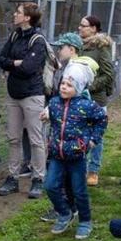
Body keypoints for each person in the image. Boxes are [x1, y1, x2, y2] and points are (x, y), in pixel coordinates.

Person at [43, 62, 108, 239]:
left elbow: (102, 119)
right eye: (63, 83)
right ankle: (64, 213)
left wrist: (93, 140)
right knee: (50, 186)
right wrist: (46, 114)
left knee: (79, 191)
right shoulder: (55, 103)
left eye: (69, 85)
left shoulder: (87, 106)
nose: (64, 87)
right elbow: (53, 116)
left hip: (77, 157)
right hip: (57, 155)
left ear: (78, 88)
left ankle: (85, 221)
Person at [40, 33, 99, 222]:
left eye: (61, 47)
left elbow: (88, 112)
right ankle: (68, 208)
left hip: (74, 141)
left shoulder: (74, 71)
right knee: (61, 178)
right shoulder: (71, 68)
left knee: (70, 180)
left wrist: (90, 140)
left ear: (71, 49)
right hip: (64, 141)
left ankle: (69, 209)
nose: (58, 51)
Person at [0, 2, 47, 198]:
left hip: (33, 95)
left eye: (18, 13)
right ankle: (13, 178)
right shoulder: (15, 35)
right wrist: (15, 62)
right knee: (14, 138)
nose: (14, 15)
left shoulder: (38, 40)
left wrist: (13, 65)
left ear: (27, 18)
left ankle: (38, 179)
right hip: (13, 94)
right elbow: (0, 58)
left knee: (36, 140)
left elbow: (29, 68)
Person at [77, 15, 114, 186]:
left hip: (96, 99)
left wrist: (87, 87)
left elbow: (108, 75)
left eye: (83, 26)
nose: (80, 28)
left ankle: (93, 170)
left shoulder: (101, 47)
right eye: (80, 25)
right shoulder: (77, 46)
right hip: (78, 98)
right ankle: (80, 168)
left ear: (93, 28)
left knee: (96, 136)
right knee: (79, 133)